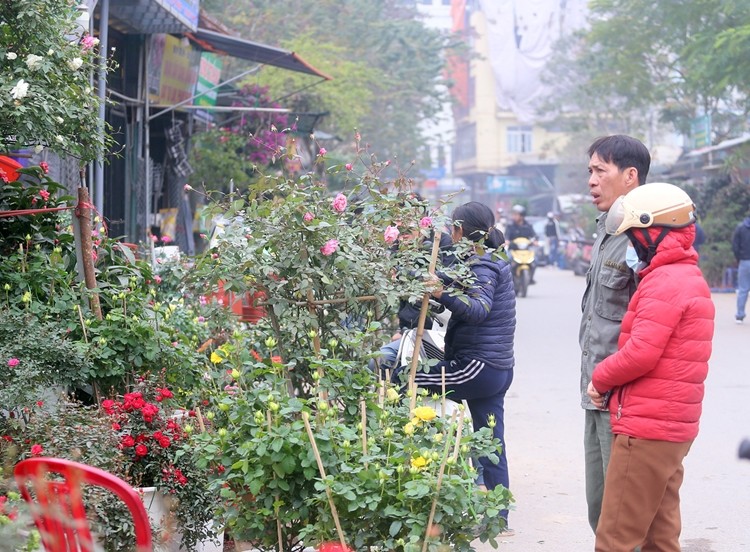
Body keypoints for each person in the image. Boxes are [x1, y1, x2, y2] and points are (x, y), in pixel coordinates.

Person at [587, 182, 714, 552]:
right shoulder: (688, 277)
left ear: (653, 233)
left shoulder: (665, 281)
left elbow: (641, 352)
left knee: (615, 538)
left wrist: (600, 378)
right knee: (660, 538)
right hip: (671, 429)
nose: (632, 245)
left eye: (634, 236)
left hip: (646, 427)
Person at [400, 201, 516, 515]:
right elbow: (467, 290)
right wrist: (442, 284)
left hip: (477, 367)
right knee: (491, 442)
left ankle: (424, 483)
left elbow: (478, 309)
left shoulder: (482, 263)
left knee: (406, 380)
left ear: (460, 230)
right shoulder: (487, 258)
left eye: (453, 228)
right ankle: (498, 515)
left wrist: (441, 293)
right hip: (496, 368)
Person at [580, 134, 650, 533]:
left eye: (599, 171)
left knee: (622, 522)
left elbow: (647, 332)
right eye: (589, 171)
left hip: (623, 400)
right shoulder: (606, 233)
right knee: (599, 510)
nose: (591, 181)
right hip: (595, 395)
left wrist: (610, 381)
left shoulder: (643, 240)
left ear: (629, 176)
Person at [731, 215, 750, 323]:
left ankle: (740, 315)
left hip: (744, 261)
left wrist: (739, 258)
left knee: (743, 289)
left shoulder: (741, 228)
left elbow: (735, 246)